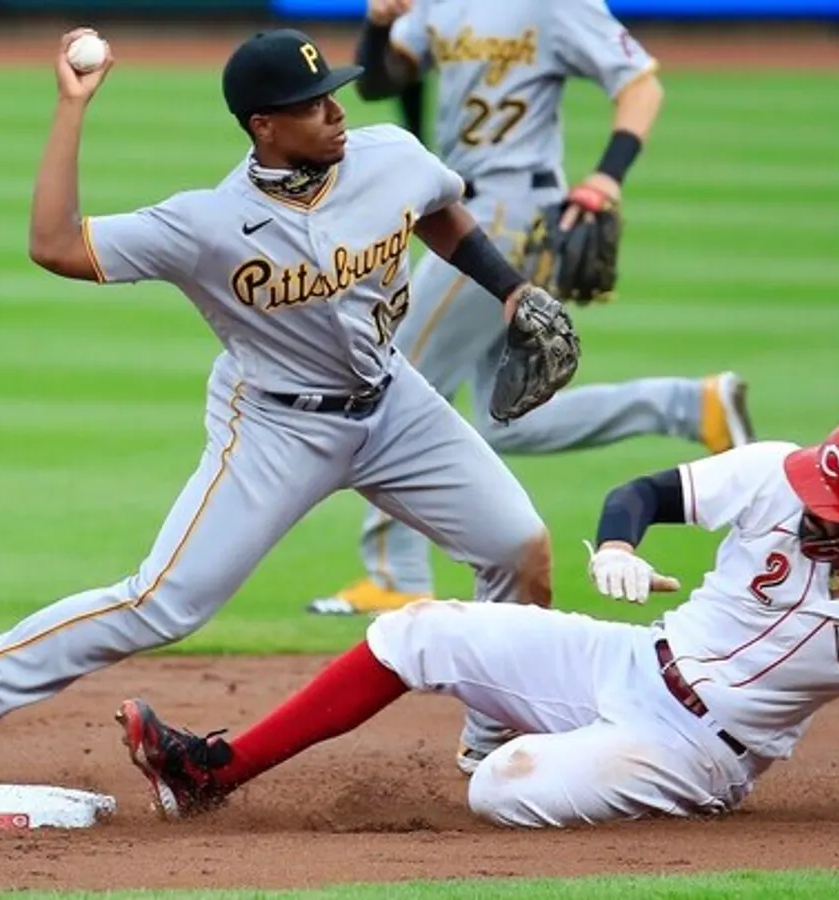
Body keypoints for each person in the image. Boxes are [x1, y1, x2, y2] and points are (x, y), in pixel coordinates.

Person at [0, 27, 582, 791]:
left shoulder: (389, 154)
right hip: (275, 426)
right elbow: (55, 243)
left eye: (331, 92)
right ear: (264, 125)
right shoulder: (205, 224)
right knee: (163, 604)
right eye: (310, 104)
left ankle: (491, 738)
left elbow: (436, 208)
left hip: (395, 405)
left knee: (518, 550)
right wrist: (72, 108)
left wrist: (511, 289)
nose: (334, 111)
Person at [112, 417, 839, 828]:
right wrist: (615, 548)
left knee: (501, 791)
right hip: (629, 658)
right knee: (421, 632)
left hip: (701, 749)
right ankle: (213, 772)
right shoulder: (773, 475)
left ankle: (526, 747)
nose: (806, 510)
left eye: (833, 510)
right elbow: (641, 494)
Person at [306, 0, 756, 620]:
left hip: (507, 216)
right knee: (508, 420)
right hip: (468, 208)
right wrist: (378, 23)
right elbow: (385, 80)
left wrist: (606, 177)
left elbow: (640, 86)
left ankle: (396, 573)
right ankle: (690, 405)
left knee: (393, 374)